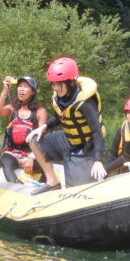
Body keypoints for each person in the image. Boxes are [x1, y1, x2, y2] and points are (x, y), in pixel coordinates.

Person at [25, 57, 107, 193]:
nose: (55, 88)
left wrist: (98, 159)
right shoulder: (60, 99)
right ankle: (52, 182)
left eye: (59, 84)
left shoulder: (85, 102)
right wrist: (43, 127)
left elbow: (97, 132)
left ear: (70, 83)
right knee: (34, 140)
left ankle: (87, 170)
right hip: (69, 140)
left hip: (88, 146)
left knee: (77, 188)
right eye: (53, 84)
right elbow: (60, 116)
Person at [0, 76, 48, 183]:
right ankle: (15, 183)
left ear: (32, 92)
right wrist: (5, 90)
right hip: (12, 153)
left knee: (45, 164)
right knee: (5, 159)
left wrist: (32, 158)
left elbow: (42, 136)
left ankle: (46, 184)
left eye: (25, 87)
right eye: (19, 86)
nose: (21, 89)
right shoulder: (12, 109)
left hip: (32, 154)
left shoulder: (40, 111)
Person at [100, 95, 130, 177]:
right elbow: (113, 154)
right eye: (129, 113)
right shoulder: (122, 130)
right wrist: (104, 172)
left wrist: (106, 169)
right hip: (125, 172)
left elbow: (126, 156)